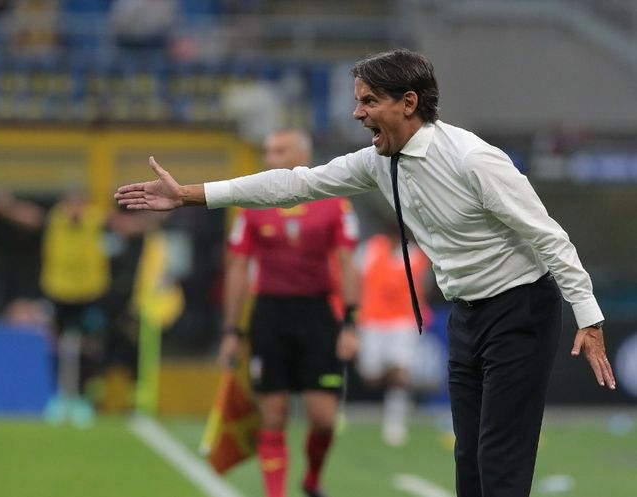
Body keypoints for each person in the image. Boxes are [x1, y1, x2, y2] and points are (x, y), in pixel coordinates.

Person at [115, 49, 615, 497]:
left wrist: (588, 320)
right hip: (466, 316)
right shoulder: (378, 160)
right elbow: (294, 184)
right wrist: (190, 195)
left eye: (369, 101)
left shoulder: (473, 160)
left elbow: (551, 238)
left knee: (499, 459)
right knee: (470, 464)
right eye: (358, 101)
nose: (357, 113)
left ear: (409, 102)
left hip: (520, 310)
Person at [217, 129, 360, 497]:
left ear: (302, 154)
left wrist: (350, 322)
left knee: (324, 420)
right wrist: (232, 331)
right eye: (267, 150)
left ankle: (312, 479)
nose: (269, 158)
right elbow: (237, 268)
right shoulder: (251, 203)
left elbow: (347, 262)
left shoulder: (333, 202)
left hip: (317, 314)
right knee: (274, 413)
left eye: (278, 150)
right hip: (271, 315)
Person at [356, 226, 433, 447]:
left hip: (404, 320)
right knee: (369, 376)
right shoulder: (370, 249)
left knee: (401, 371)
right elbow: (355, 276)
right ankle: (389, 380)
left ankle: (395, 423)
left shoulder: (417, 255)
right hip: (372, 321)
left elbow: (425, 286)